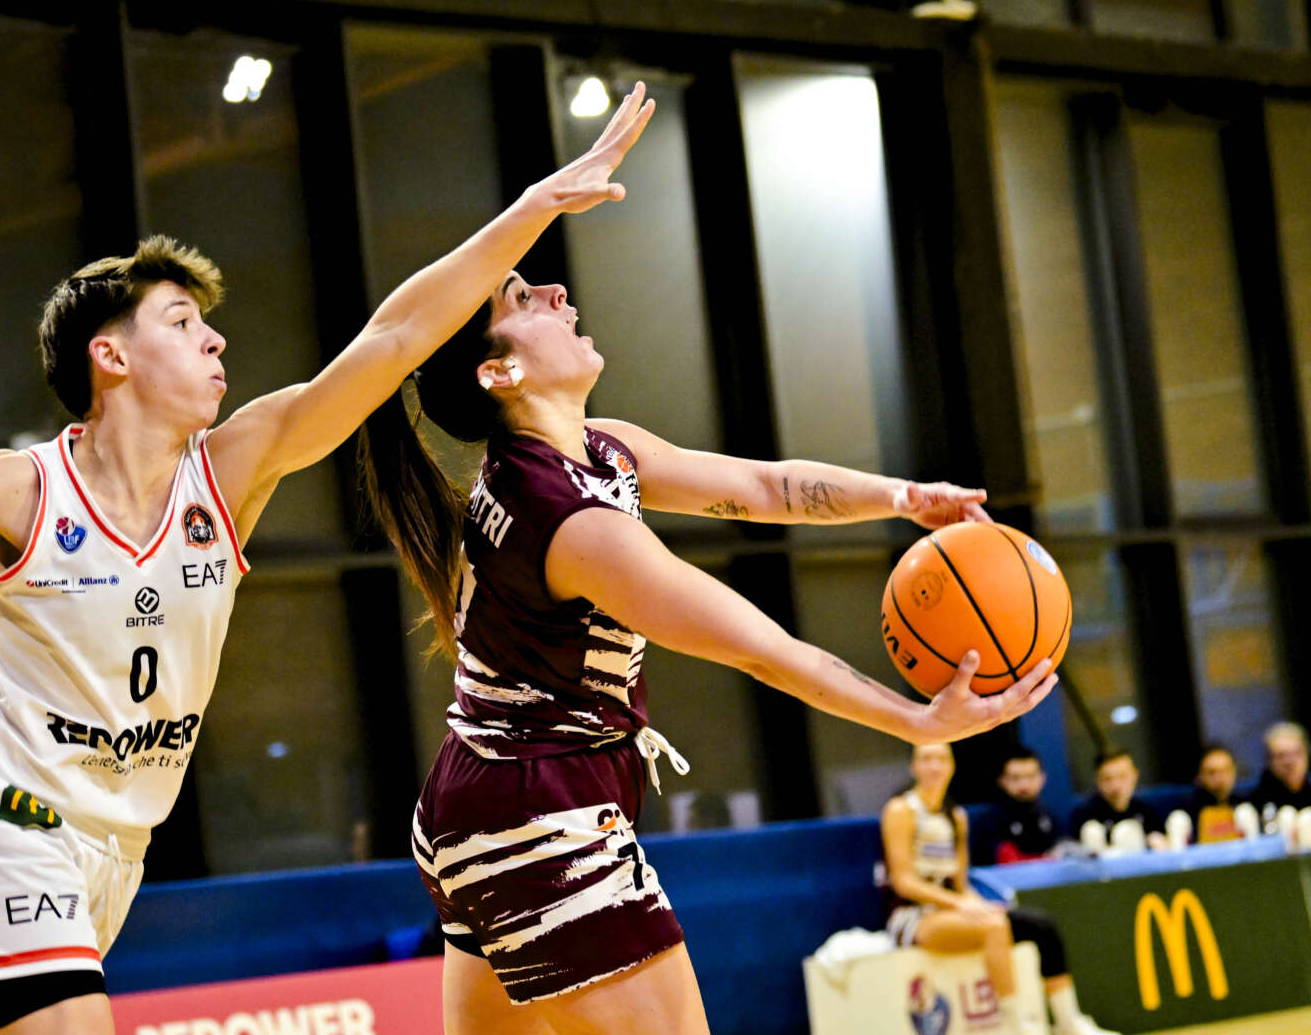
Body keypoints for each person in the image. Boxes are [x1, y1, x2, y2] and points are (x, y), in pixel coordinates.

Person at [0, 84, 657, 1035]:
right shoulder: (14, 491)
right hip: (3, 831)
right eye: (182, 323)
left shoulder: (232, 473)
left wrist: (531, 210)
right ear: (110, 358)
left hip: (113, 856)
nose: (217, 336)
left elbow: (394, 340)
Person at [357, 196, 1059, 1032]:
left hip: (479, 803)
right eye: (520, 299)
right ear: (498, 371)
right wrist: (916, 720)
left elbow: (762, 489)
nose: (554, 292)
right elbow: (761, 648)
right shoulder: (570, 522)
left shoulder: (591, 452)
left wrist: (904, 498)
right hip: (538, 814)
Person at [880, 744, 1117, 1035]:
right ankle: (1016, 1024)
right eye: (926, 759)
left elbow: (960, 884)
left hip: (951, 909)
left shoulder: (956, 816)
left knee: (1033, 924)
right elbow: (904, 881)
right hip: (911, 917)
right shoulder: (901, 810)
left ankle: (1068, 1021)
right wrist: (961, 905)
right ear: (913, 767)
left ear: (952, 766)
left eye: (941, 758)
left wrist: (976, 902)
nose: (934, 766)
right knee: (994, 927)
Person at [1248, 721, 1311, 834]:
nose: (1289, 762)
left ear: (1307, 756)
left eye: (1296, 754)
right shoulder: (1255, 807)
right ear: (1269, 761)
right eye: (1281, 756)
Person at [1067, 749, 1163, 850]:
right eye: (1107, 779)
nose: (1115, 786)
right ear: (1097, 781)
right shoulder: (1083, 815)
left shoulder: (1147, 812)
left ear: (1135, 775)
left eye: (1122, 777)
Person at [987, 746, 1063, 864]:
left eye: (1030, 776)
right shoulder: (990, 821)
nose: (1024, 785)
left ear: (1043, 778)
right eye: (1015, 778)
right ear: (1002, 781)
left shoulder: (1050, 816)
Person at [1186, 743, 1242, 843]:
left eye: (1226, 770)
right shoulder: (1188, 812)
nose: (1220, 779)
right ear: (1200, 776)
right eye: (1212, 772)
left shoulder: (1248, 803)